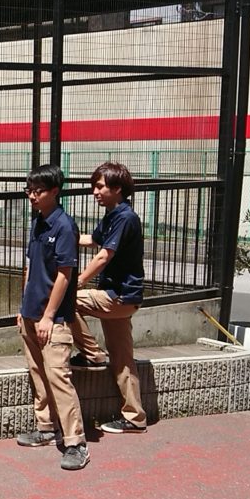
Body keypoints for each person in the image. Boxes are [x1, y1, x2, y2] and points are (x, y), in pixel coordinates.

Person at [15, 164, 89, 471]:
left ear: (55, 192)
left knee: (59, 377)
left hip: (53, 320)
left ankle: (76, 443)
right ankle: (45, 428)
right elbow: (31, 266)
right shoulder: (38, 221)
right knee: (38, 375)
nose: (31, 196)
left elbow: (64, 275)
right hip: (31, 314)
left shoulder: (63, 226)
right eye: (28, 190)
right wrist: (23, 309)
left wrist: (48, 316)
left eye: (38, 191)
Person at [70, 162, 148, 434]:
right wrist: (60, 233)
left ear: (117, 189)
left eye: (100, 186)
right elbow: (92, 240)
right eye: (95, 186)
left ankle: (92, 354)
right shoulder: (114, 215)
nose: (95, 192)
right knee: (123, 359)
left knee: (68, 301)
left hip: (119, 296)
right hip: (124, 298)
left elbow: (104, 254)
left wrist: (78, 280)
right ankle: (135, 418)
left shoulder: (125, 217)